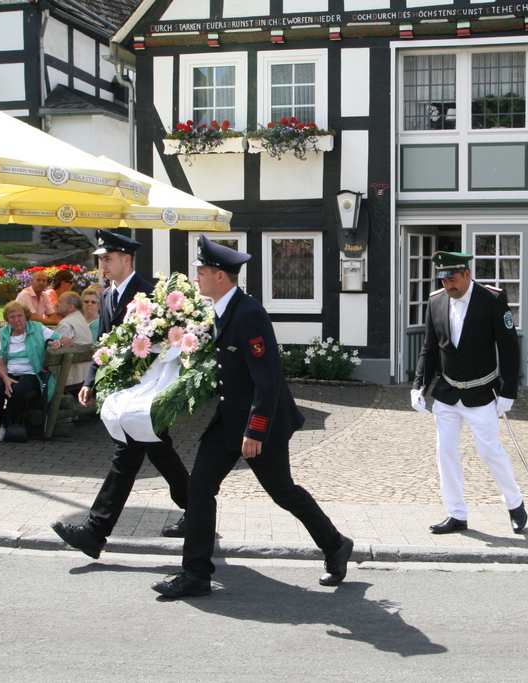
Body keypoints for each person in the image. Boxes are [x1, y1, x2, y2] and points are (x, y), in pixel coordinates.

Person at [151, 236, 354, 599]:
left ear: (220, 276)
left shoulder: (249, 314)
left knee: (283, 492)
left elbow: (269, 379)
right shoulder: (218, 310)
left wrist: (256, 430)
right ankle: (196, 573)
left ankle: (335, 544)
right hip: (229, 419)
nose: (196, 277)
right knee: (199, 487)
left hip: (262, 423)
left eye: (201, 271)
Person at [51, 230, 191, 558]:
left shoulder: (149, 294)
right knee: (158, 449)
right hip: (123, 391)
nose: (103, 264)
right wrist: (90, 381)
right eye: (101, 259)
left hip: (146, 390)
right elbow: (104, 344)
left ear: (126, 259)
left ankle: (95, 531)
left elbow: (165, 343)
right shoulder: (106, 296)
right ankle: (197, 508)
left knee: (128, 455)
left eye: (108, 258)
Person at [411, 251, 528, 536]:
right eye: (443, 280)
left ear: (467, 274)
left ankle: (514, 503)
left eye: (452, 279)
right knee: (445, 452)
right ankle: (456, 513)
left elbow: (509, 347)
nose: (448, 285)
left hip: (481, 391)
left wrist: (509, 391)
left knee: (489, 450)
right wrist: (418, 385)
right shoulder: (436, 301)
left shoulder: (491, 299)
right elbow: (429, 348)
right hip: (448, 391)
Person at [0, 301, 67, 442]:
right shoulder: (2, 333)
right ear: (7, 319)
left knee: (17, 390)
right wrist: (5, 378)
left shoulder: (37, 328)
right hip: (10, 372)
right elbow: (0, 363)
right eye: (12, 317)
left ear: (26, 316)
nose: (16, 320)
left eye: (20, 316)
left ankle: (6, 426)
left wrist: (59, 343)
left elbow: (68, 340)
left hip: (32, 373)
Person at [53, 291, 93, 386]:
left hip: (70, 378)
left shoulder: (66, 324)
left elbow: (53, 350)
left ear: (70, 307)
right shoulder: (80, 319)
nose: (56, 304)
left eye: (60, 301)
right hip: (85, 376)